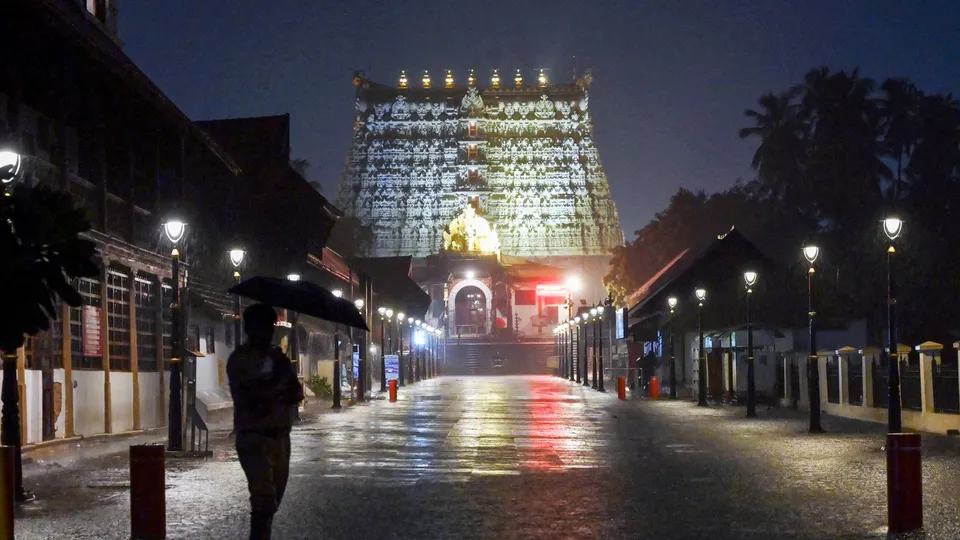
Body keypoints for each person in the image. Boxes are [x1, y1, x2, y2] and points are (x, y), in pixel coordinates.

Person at [227, 304, 304, 540]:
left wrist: (281, 371)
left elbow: (296, 393)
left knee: (274, 499)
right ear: (251, 328)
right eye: (265, 326)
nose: (269, 331)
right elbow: (248, 394)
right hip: (253, 436)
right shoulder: (239, 359)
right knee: (264, 501)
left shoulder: (277, 358)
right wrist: (273, 386)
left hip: (280, 437)